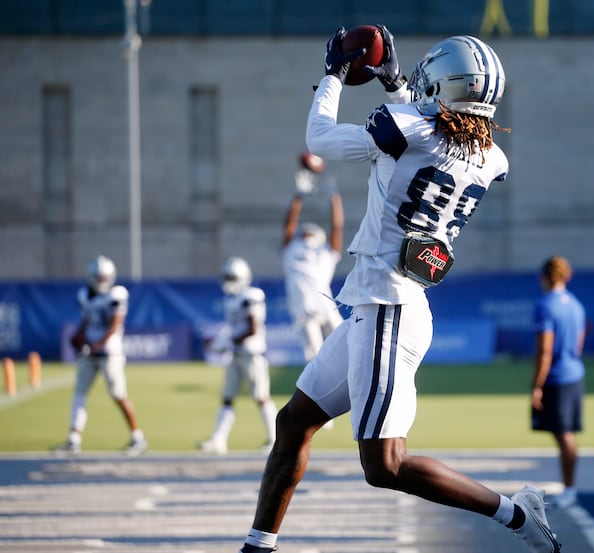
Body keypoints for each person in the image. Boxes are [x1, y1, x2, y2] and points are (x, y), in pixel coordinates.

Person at [237, 26, 561, 553]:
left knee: (384, 465)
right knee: (294, 421)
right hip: (382, 303)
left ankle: (516, 513)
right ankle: (258, 545)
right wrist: (394, 84)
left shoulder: (409, 126)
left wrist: (333, 76)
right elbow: (432, 131)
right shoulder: (490, 158)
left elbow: (322, 138)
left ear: (441, 83)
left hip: (388, 305)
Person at [54, 255, 147, 456]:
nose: (102, 282)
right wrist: (78, 336)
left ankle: (137, 437)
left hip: (110, 353)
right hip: (90, 351)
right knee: (79, 393)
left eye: (104, 278)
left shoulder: (116, 295)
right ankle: (73, 439)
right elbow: (87, 321)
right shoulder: (85, 295)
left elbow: (115, 325)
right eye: (99, 277)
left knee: (118, 395)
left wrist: (96, 345)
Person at [200, 256, 277, 454]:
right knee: (227, 397)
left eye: (232, 277)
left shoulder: (251, 296)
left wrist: (225, 343)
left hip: (252, 354)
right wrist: (223, 342)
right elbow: (234, 328)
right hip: (236, 354)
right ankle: (218, 440)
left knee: (261, 397)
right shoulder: (232, 299)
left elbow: (253, 328)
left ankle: (275, 439)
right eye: (227, 276)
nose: (228, 280)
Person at [530, 256, 586, 509]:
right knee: (565, 434)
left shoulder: (545, 305)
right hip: (574, 373)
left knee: (564, 436)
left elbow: (545, 351)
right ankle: (570, 487)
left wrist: (537, 386)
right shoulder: (576, 304)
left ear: (545, 277)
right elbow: (579, 343)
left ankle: (570, 489)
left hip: (557, 377)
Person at [282, 164, 344, 363]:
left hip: (326, 307)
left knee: (347, 349)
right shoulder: (291, 249)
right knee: (315, 360)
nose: (305, 237)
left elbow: (337, 228)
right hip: (305, 311)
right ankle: (319, 395)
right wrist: (298, 196)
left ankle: (353, 391)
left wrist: (334, 199)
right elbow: (289, 225)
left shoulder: (325, 253)